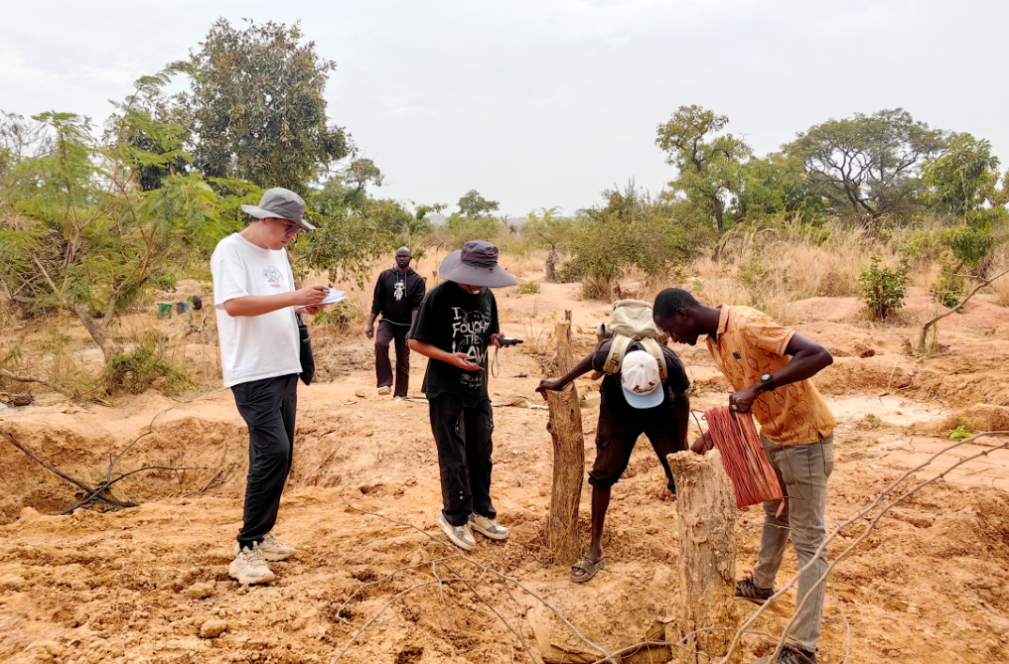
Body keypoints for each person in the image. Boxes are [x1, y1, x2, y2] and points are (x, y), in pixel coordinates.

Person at [653, 288, 835, 664]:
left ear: (683, 313)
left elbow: (819, 355)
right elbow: (744, 397)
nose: (673, 341)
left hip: (805, 440)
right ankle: (761, 584)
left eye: (669, 329)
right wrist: (708, 439)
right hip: (773, 436)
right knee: (775, 514)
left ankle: (803, 647)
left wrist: (761, 384)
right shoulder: (715, 343)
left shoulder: (748, 322)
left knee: (809, 541)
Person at [211, 187, 329, 586]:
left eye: (295, 229)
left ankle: (262, 534)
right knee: (271, 451)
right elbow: (235, 305)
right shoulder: (230, 251)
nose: (290, 235)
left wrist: (302, 305)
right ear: (264, 219)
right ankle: (245, 549)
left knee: (283, 453)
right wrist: (294, 295)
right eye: (287, 227)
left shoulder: (278, 254)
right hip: (252, 369)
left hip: (283, 364)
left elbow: (275, 300)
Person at [536, 343, 691, 583]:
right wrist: (559, 382)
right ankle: (595, 550)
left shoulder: (669, 363)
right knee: (602, 474)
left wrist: (681, 441)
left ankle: (695, 544)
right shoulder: (609, 354)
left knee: (681, 472)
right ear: (619, 376)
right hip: (618, 409)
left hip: (661, 411)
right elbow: (589, 361)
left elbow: (682, 398)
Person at [408, 240, 516, 551]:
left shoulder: (487, 296)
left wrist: (497, 340)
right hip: (446, 388)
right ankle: (454, 517)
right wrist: (450, 357)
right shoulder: (439, 297)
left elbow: (490, 331)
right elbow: (414, 343)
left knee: (481, 454)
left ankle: (481, 513)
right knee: (454, 455)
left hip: (477, 389)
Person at [366, 247, 426, 398]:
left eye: (405, 256)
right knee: (380, 343)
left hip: (406, 325)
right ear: (395, 257)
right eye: (399, 256)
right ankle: (384, 383)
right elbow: (377, 302)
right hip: (387, 321)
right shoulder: (385, 276)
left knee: (403, 359)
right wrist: (370, 323)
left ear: (410, 258)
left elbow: (417, 306)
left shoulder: (417, 280)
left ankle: (400, 394)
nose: (402, 259)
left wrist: (413, 329)